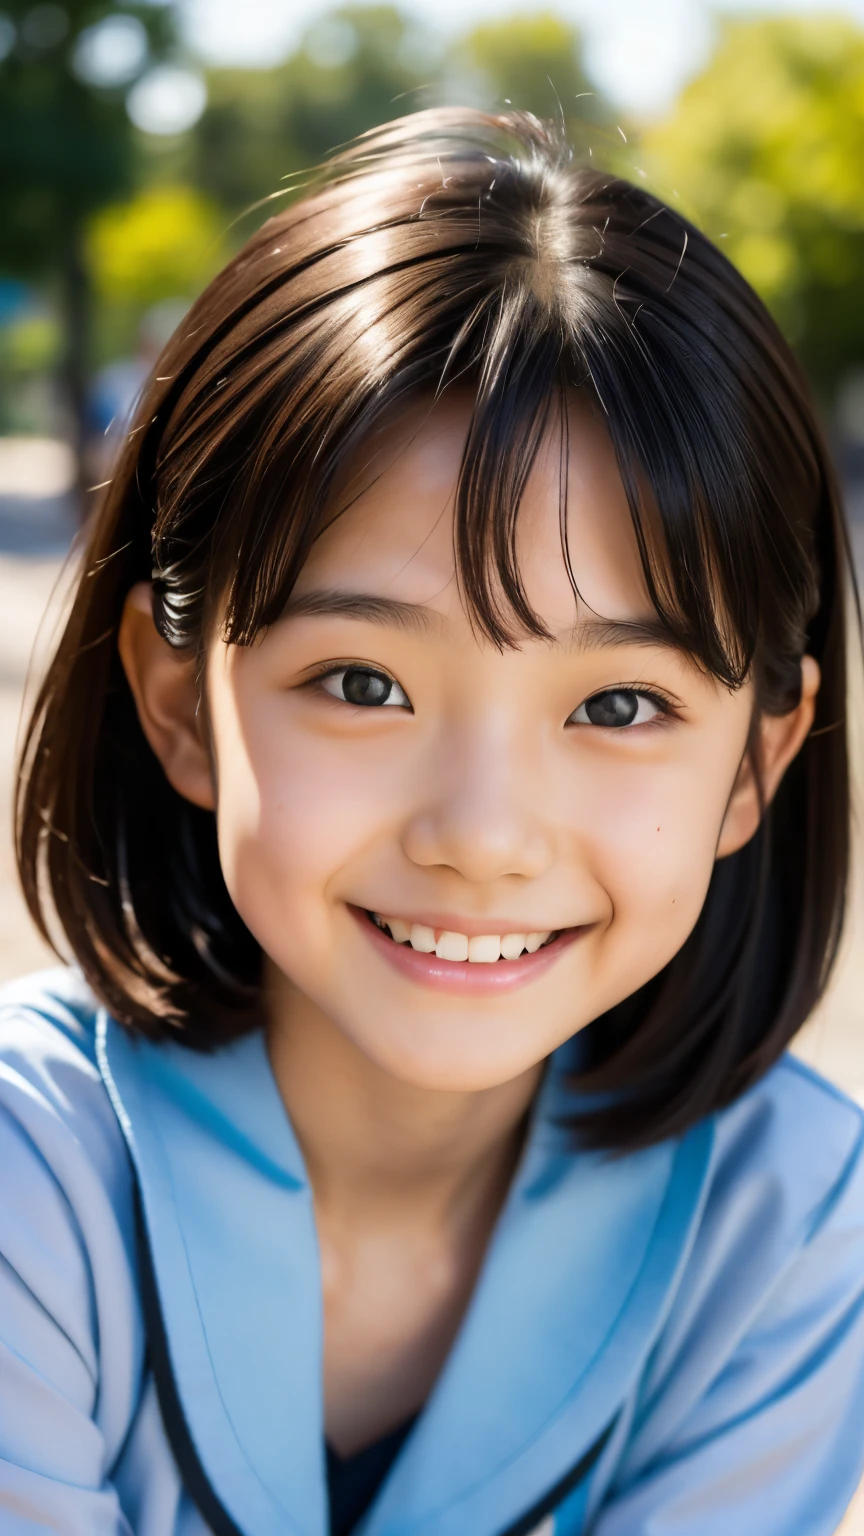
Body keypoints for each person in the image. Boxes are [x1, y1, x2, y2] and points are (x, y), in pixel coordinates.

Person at [4, 108, 864, 1536]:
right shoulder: (40, 1188)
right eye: (362, 683)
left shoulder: (781, 1226)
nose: (485, 834)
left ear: (757, 762)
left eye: (621, 706)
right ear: (176, 702)